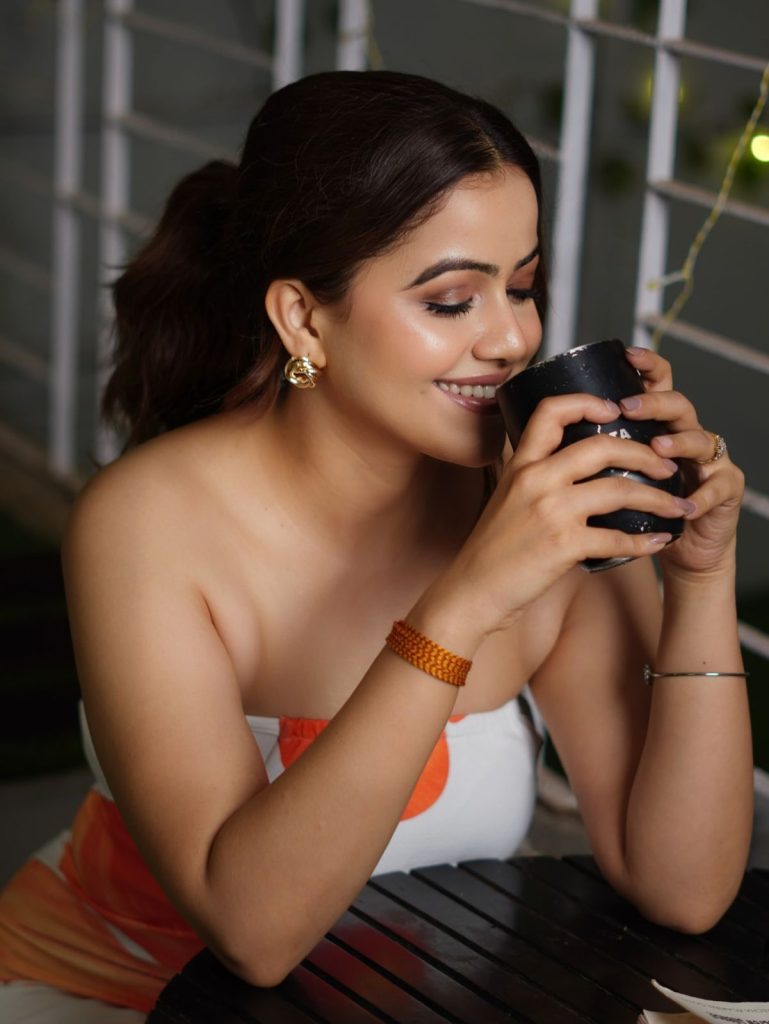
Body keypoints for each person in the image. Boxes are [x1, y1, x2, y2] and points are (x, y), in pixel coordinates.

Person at [0, 69, 752, 1021]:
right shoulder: (146, 523)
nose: (509, 339)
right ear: (303, 318)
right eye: (451, 301)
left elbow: (682, 889)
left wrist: (700, 579)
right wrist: (468, 598)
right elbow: (253, 932)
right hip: (117, 998)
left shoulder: (547, 506)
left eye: (522, 287)